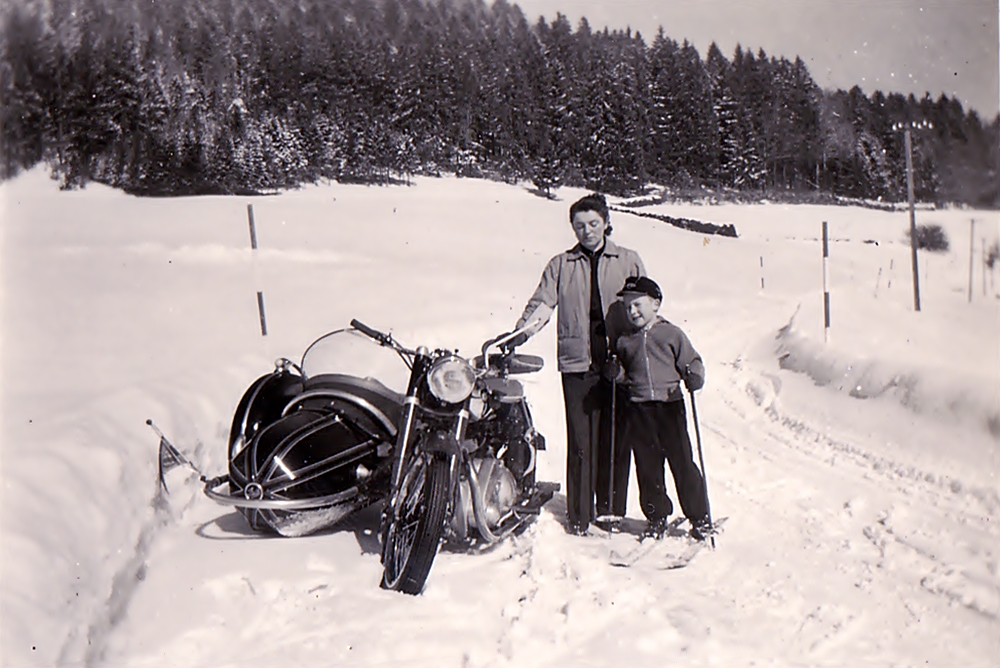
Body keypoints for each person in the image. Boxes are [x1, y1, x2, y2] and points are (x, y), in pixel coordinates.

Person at [513, 193, 645, 535]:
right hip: (577, 364)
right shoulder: (561, 264)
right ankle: (580, 515)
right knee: (582, 439)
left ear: (605, 221)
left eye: (592, 224)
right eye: (579, 226)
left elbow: (644, 309)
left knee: (616, 438)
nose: (586, 231)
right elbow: (542, 304)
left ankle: (611, 511)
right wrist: (518, 336)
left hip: (619, 362)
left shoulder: (628, 260)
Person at [612, 275, 711, 540]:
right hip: (639, 408)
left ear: (655, 303)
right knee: (647, 466)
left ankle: (699, 516)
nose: (632, 311)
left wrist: (694, 375)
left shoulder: (671, 334)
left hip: (669, 406)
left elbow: (692, 361)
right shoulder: (625, 341)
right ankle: (656, 517)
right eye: (627, 306)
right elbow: (625, 375)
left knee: (682, 463)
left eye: (637, 304)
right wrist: (616, 373)